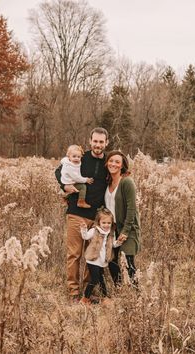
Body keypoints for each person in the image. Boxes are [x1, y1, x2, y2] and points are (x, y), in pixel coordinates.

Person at [55, 127, 109, 303]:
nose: (98, 145)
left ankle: (88, 290)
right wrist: (65, 187)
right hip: (76, 213)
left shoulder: (108, 162)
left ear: (106, 143)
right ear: (90, 141)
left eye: (101, 142)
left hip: (96, 216)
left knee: (92, 255)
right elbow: (58, 171)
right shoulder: (80, 157)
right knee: (74, 254)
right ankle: (73, 292)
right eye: (95, 141)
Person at [105, 150, 140, 285]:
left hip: (128, 228)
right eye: (111, 161)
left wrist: (125, 231)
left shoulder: (127, 182)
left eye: (117, 162)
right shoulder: (107, 182)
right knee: (111, 260)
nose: (113, 164)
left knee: (128, 262)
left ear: (122, 165)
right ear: (107, 163)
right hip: (111, 229)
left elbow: (132, 209)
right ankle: (119, 289)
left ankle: (136, 294)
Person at [80, 207, 121, 305]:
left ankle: (104, 298)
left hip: (102, 261)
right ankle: (85, 298)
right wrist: (84, 229)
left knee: (102, 279)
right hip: (93, 260)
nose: (106, 225)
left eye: (109, 223)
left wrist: (119, 242)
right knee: (95, 279)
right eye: (104, 223)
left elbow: (113, 244)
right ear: (99, 222)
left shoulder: (110, 233)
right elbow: (85, 236)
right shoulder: (95, 231)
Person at [60, 144, 94, 208]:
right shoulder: (70, 166)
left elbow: (62, 161)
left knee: (74, 190)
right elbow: (76, 178)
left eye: (78, 157)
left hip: (70, 181)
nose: (76, 158)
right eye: (74, 156)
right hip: (69, 182)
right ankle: (81, 202)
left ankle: (64, 197)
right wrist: (86, 180)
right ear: (69, 156)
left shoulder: (69, 161)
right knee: (82, 187)